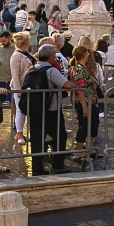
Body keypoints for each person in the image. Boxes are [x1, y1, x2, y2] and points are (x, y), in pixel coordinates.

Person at [25, 44, 75, 176]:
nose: (55, 57)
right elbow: (67, 84)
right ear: (49, 57)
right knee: (60, 136)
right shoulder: (51, 71)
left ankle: (37, 168)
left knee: (36, 139)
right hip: (51, 109)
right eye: (53, 55)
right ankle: (58, 165)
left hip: (35, 110)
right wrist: (77, 86)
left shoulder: (31, 69)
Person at [68, 45, 101, 159]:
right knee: (84, 125)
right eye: (87, 54)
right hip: (84, 102)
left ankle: (89, 148)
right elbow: (80, 89)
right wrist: (84, 106)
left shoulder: (84, 68)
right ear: (83, 54)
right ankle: (79, 149)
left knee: (94, 124)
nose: (88, 56)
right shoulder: (78, 69)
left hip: (92, 100)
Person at [10, 32, 34, 146]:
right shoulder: (16, 56)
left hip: (28, 86)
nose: (30, 42)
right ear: (25, 42)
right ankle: (19, 133)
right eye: (28, 41)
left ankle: (21, 133)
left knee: (24, 110)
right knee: (20, 110)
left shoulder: (27, 53)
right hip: (20, 86)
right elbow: (15, 75)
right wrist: (18, 90)